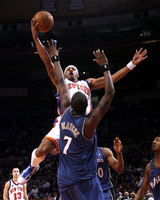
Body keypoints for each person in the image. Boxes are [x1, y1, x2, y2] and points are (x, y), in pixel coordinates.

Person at [18, 17, 148, 185]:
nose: (70, 69)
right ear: (63, 74)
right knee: (41, 150)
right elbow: (47, 61)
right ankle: (32, 167)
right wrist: (35, 38)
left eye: (74, 68)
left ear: (78, 74)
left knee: (82, 166)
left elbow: (112, 79)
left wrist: (132, 64)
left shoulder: (88, 83)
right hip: (64, 121)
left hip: (84, 123)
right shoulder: (60, 82)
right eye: (67, 69)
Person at [53, 39, 115, 198]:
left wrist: (55, 58)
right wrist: (105, 67)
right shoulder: (89, 123)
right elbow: (109, 93)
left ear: (70, 103)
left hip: (64, 181)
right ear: (88, 106)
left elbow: (60, 81)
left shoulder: (65, 112)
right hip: (84, 180)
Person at [134, 136, 160, 200]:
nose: (153, 142)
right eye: (153, 140)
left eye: (158, 140)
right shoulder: (149, 166)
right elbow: (143, 190)